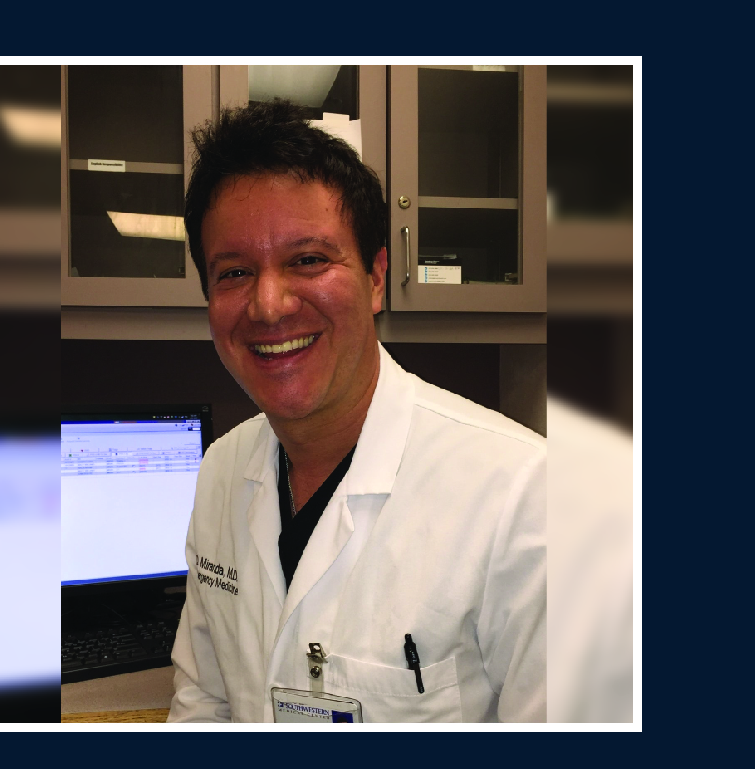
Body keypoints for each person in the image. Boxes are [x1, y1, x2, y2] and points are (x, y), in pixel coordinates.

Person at [167, 100, 545, 723]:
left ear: (376, 277)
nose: (268, 305)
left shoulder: (523, 495)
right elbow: (204, 699)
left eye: (308, 260)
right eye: (234, 271)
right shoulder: (220, 472)